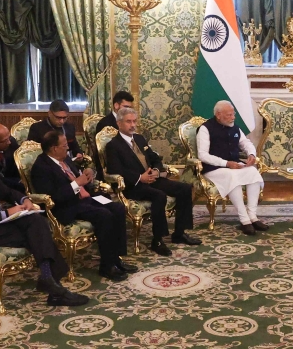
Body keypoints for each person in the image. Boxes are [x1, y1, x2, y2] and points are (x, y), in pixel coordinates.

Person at [0, 137, 88, 307]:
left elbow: (8, 191)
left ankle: (49, 280)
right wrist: (7, 213)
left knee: (36, 221)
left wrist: (24, 199)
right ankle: (53, 285)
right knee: (35, 233)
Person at [31, 131, 134, 282]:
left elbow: (77, 174)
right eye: (65, 145)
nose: (68, 148)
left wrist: (88, 173)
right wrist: (76, 183)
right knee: (104, 215)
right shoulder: (41, 167)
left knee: (117, 208)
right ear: (54, 148)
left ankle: (116, 258)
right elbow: (53, 197)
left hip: (84, 198)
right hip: (67, 206)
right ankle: (106, 266)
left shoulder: (64, 158)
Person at [105, 107, 197, 252]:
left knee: (184, 188)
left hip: (152, 179)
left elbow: (155, 158)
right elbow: (115, 170)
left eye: (134, 121)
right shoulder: (113, 146)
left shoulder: (140, 139)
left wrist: (155, 170)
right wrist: (140, 177)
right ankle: (158, 240)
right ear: (119, 123)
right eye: (129, 122)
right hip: (133, 186)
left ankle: (179, 233)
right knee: (159, 196)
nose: (133, 125)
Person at [196, 101, 267, 236]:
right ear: (218, 115)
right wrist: (226, 163)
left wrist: (251, 154)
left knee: (252, 172)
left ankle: (253, 217)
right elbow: (203, 155)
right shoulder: (205, 129)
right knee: (232, 177)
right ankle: (244, 220)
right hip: (213, 168)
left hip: (234, 165)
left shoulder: (234, 127)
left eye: (233, 114)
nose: (233, 117)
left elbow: (246, 143)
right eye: (229, 115)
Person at [0, 123, 25, 193]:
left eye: (9, 138)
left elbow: (18, 165)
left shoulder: (12, 143)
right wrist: (18, 182)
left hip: (15, 187)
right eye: (5, 140)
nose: (9, 142)